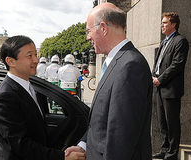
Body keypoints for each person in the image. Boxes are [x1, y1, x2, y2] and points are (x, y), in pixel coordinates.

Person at [65, 3, 153, 160]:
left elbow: (121, 137)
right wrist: (83, 145)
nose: (87, 37)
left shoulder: (130, 66)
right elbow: (102, 121)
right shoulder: (117, 62)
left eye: (88, 30)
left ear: (103, 28)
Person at [0, 35, 85, 160]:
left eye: (36, 54)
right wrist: (62, 157)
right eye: (30, 56)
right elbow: (21, 146)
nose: (36, 60)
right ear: (10, 61)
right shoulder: (5, 97)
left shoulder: (28, 86)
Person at [152, 12, 189, 160]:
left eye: (165, 23)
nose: (162, 25)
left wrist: (160, 79)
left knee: (172, 123)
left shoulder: (181, 41)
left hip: (171, 89)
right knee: (162, 122)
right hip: (159, 88)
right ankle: (164, 148)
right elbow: (159, 63)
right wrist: (154, 75)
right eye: (162, 22)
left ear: (173, 24)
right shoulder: (164, 41)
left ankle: (172, 153)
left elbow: (177, 65)